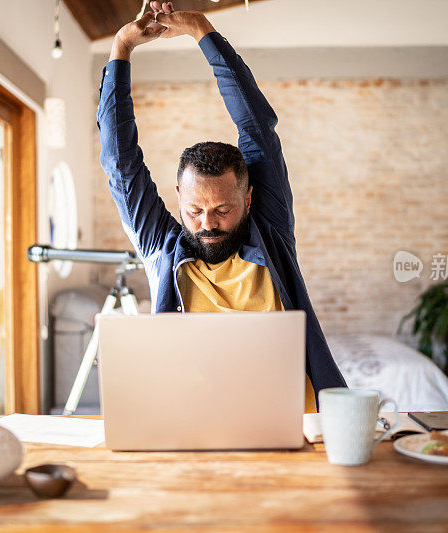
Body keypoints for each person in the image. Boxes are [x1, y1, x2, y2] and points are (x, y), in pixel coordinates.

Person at [96, 1, 347, 411]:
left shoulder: (270, 229)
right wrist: (121, 47)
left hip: (297, 424)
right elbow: (119, 160)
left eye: (223, 210)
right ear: (178, 196)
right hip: (196, 422)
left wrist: (201, 31)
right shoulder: (162, 246)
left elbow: (255, 126)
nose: (207, 224)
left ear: (248, 199)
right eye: (194, 210)